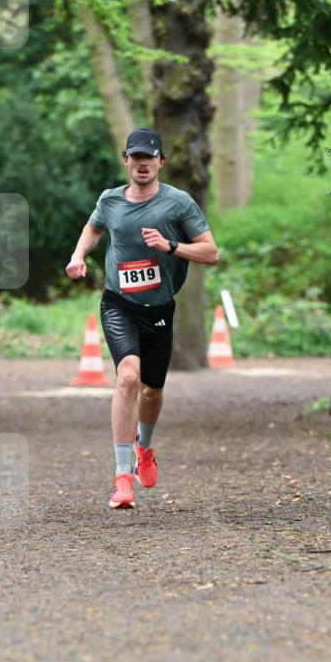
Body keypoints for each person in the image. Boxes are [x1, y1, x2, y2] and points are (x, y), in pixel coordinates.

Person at [66, 128, 220, 509]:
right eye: (135, 157)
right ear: (126, 161)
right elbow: (94, 227)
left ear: (161, 162)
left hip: (160, 308)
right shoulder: (110, 200)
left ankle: (145, 448)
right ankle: (122, 477)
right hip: (119, 303)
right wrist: (78, 256)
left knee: (152, 390)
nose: (142, 163)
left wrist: (170, 246)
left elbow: (211, 252)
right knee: (128, 379)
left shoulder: (179, 203)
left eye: (149, 157)